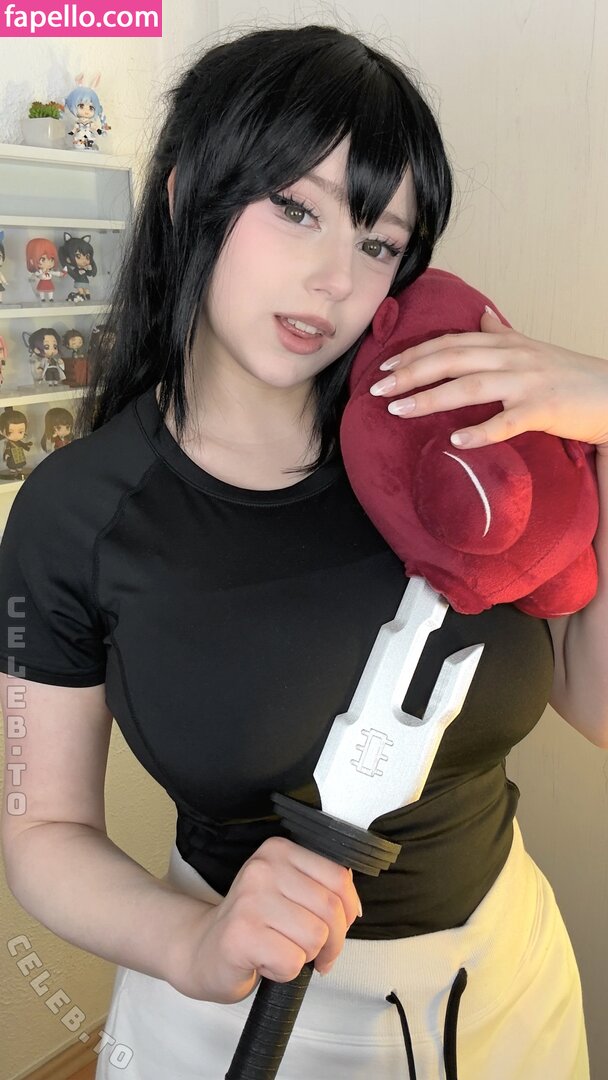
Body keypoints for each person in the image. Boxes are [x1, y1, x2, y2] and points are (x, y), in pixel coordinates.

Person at [0, 23, 605, 1080]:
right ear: (188, 195)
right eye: (294, 208)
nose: (334, 280)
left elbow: (591, 700)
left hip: (509, 986)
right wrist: (194, 941)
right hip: (240, 1017)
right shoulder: (75, 514)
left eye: (378, 242)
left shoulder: (445, 443)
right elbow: (41, 829)